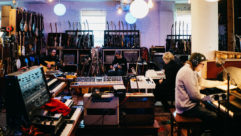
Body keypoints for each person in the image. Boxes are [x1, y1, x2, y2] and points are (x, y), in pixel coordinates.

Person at [175, 52, 227, 135]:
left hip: (187, 106)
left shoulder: (191, 70)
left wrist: (221, 83)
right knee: (213, 116)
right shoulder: (187, 72)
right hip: (186, 108)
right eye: (202, 64)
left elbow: (203, 82)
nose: (202, 67)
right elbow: (195, 96)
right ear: (196, 63)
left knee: (211, 112)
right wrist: (211, 98)